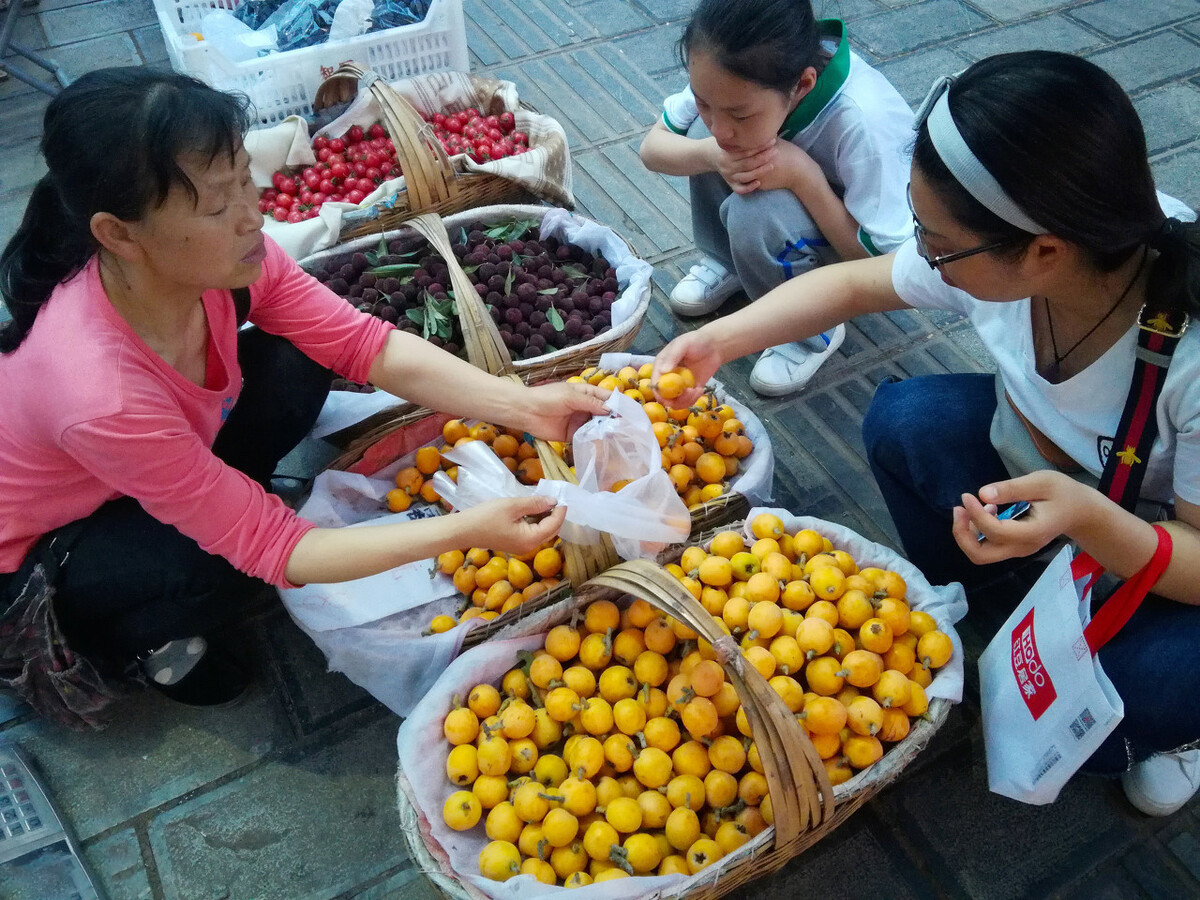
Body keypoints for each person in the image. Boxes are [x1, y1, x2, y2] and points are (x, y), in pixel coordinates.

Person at [653, 51, 1200, 816]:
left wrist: (1086, 520)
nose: (924, 257)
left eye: (937, 243)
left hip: (1170, 536)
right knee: (906, 423)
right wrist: (722, 342)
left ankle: (1180, 732)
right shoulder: (1030, 240)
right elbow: (855, 283)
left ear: (1043, 252)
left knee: (1102, 726)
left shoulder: (1189, 355)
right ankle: (1001, 590)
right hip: (1057, 468)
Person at [0, 68, 608, 712]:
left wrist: (526, 405)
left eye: (244, 180)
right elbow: (279, 547)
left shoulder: (222, 263)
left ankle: (217, 501)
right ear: (120, 233)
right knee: (220, 565)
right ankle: (129, 637)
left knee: (298, 360)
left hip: (148, 462)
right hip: (52, 543)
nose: (251, 215)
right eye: (216, 206)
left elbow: (363, 345)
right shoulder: (100, 393)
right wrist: (466, 530)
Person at [638, 0, 913, 396]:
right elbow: (652, 150)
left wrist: (805, 178)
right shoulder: (726, 72)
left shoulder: (864, 123)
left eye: (741, 115)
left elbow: (893, 268)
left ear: (803, 84)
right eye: (703, 101)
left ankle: (811, 330)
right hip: (798, 212)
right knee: (706, 142)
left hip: (849, 247)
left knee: (756, 210)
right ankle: (729, 262)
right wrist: (711, 155)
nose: (720, 126)